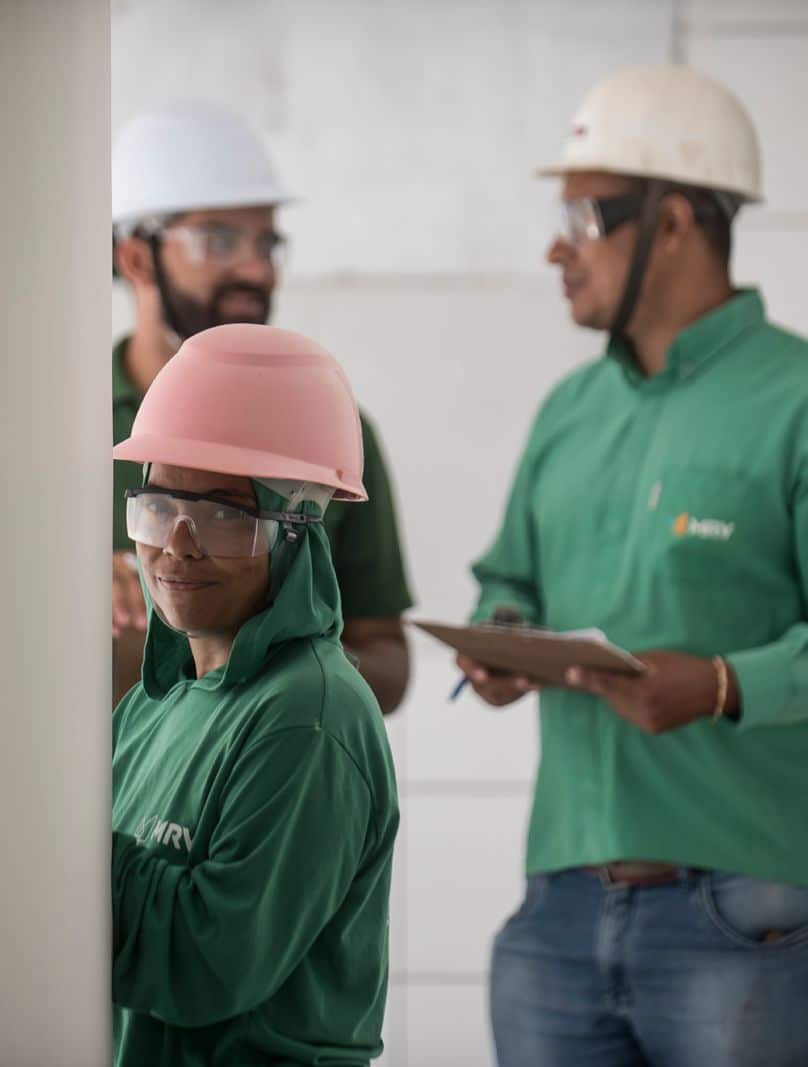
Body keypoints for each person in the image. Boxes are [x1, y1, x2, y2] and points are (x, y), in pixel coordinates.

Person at [460, 64, 808, 1066]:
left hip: (743, 910)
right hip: (556, 909)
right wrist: (503, 639)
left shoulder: (793, 399)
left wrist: (723, 683)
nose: (555, 246)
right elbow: (507, 578)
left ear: (674, 222)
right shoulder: (567, 412)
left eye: (586, 213)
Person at [111, 322, 398, 1066]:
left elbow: (207, 964)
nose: (175, 545)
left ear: (299, 530)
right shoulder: (157, 699)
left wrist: (51, 843)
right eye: (158, 508)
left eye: (220, 516)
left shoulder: (309, 716)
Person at [112, 103, 412, 710]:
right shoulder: (43, 430)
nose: (256, 268)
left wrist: (265, 655)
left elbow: (387, 659)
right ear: (137, 259)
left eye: (267, 242)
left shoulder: (329, 438)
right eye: (218, 239)